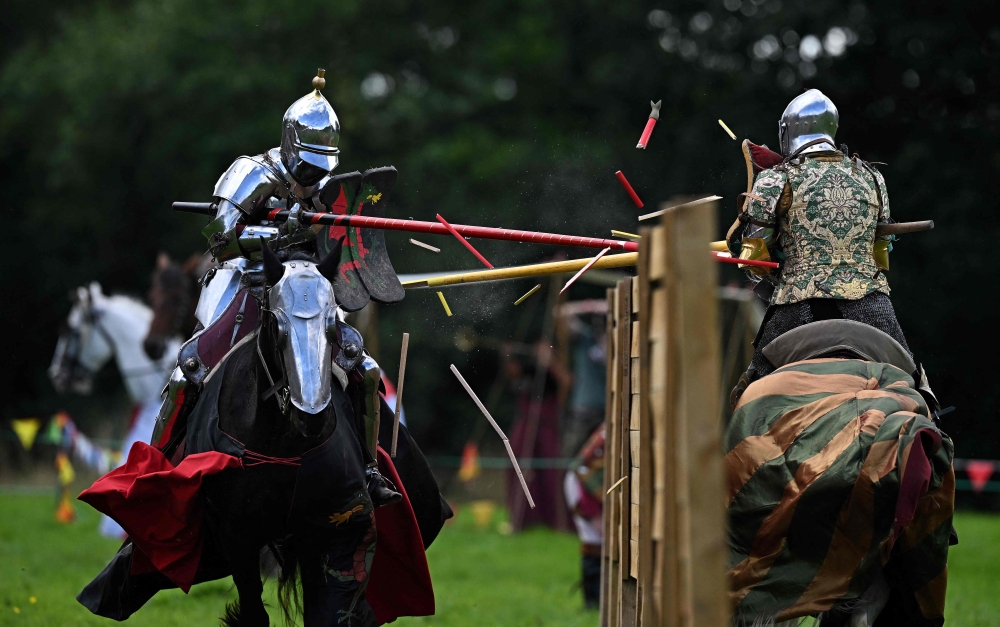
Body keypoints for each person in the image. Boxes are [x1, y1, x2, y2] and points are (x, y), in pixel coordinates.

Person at [151, 70, 400, 506]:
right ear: (289, 146)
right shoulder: (250, 174)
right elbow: (219, 241)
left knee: (364, 369)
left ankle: (368, 470)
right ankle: (156, 468)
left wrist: (329, 235)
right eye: (306, 165)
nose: (312, 176)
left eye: (321, 167)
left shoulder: (325, 184)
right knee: (188, 368)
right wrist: (280, 231)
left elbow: (336, 243)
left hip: (306, 287)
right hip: (246, 281)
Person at [728, 89, 938, 411]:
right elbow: (880, 254)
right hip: (871, 304)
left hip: (798, 305)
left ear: (790, 131)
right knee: (917, 388)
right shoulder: (872, 177)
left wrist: (776, 265)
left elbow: (753, 259)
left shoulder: (774, 179)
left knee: (752, 398)